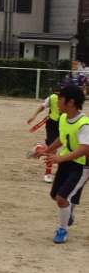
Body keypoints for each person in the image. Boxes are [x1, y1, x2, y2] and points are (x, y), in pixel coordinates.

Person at [44, 85, 89, 244]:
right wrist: (47, 150)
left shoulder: (84, 124)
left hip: (81, 166)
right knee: (55, 195)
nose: (57, 102)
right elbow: (62, 138)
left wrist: (60, 158)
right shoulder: (63, 118)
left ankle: (62, 230)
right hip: (67, 162)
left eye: (60, 99)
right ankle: (69, 210)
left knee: (61, 198)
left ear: (70, 102)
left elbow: (84, 149)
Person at [27, 88, 61, 183]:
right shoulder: (52, 98)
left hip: (66, 124)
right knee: (53, 149)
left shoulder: (72, 99)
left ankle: (39, 148)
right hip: (53, 124)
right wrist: (34, 115)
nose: (58, 95)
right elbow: (42, 106)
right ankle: (48, 173)